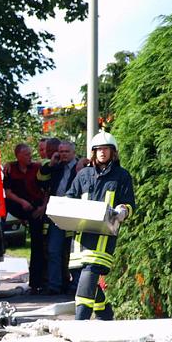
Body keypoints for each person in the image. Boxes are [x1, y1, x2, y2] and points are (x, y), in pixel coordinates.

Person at [64, 131, 135, 321]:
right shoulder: (83, 175)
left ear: (113, 152)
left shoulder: (121, 176)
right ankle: (105, 315)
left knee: (89, 275)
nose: (102, 153)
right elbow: (70, 197)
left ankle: (81, 322)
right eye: (98, 149)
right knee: (82, 279)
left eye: (106, 149)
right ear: (93, 152)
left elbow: (130, 204)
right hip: (80, 239)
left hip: (103, 239)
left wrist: (123, 211)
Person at [3, 143, 47, 293]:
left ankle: (37, 282)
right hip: (21, 207)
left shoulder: (37, 168)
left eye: (30, 153)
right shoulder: (11, 169)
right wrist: (22, 203)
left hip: (36, 208)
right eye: (26, 154)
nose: (30, 157)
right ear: (18, 156)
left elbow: (46, 189)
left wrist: (42, 207)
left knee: (38, 245)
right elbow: (7, 193)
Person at [40, 141, 79, 294]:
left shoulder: (81, 168)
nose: (63, 154)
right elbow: (40, 181)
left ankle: (75, 285)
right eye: (61, 151)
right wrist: (51, 163)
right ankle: (54, 286)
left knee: (73, 251)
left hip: (74, 214)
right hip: (56, 214)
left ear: (73, 153)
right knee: (53, 250)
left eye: (66, 152)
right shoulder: (56, 168)